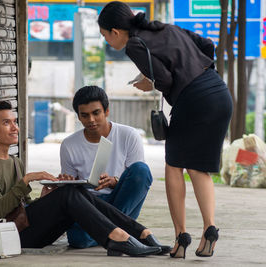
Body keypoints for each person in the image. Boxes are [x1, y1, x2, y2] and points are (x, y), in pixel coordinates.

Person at [97, 1, 233, 259]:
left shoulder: (134, 45)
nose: (107, 41)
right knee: (197, 167)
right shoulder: (164, 28)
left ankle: (181, 237)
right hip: (219, 92)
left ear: (115, 31)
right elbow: (207, 45)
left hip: (193, 100)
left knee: (174, 166)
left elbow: (166, 79)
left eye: (105, 35)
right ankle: (209, 229)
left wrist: (150, 83)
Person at [0, 100, 170, 257]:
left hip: (29, 228)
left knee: (72, 190)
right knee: (68, 193)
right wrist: (27, 180)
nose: (15, 127)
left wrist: (46, 198)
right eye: (7, 123)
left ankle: (139, 233)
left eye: (15, 122)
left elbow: (23, 206)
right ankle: (118, 236)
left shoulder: (15, 162)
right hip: (14, 236)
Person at [59, 85, 155, 249]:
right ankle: (121, 232)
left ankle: (108, 231)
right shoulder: (69, 145)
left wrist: (115, 181)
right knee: (77, 240)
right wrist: (68, 181)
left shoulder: (128, 135)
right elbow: (71, 192)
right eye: (85, 115)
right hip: (90, 205)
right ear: (78, 117)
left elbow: (138, 179)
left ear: (107, 111)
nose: (91, 120)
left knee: (142, 170)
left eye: (96, 113)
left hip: (121, 201)